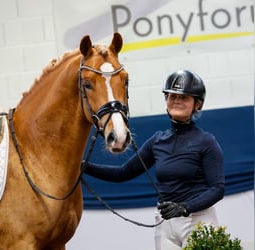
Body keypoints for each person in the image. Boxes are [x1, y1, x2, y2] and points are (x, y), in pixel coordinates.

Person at [84, 69, 225, 250]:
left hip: (198, 220)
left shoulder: (206, 142)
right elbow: (123, 173)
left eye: (184, 98)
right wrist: (83, 167)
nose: (177, 101)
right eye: (172, 97)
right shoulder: (157, 141)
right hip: (165, 223)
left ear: (197, 104)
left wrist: (184, 207)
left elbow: (217, 189)